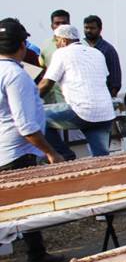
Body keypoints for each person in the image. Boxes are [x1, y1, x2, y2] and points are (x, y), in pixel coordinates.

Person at [0, 18, 66, 262]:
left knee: (23, 208)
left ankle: (37, 254)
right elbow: (26, 125)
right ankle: (36, 256)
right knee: (23, 207)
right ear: (21, 45)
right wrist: (50, 152)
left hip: (4, 150)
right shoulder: (16, 75)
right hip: (15, 153)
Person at [38, 25, 115, 160]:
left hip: (81, 110)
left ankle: (64, 154)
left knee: (37, 115)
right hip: (105, 112)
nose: (56, 45)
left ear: (63, 40)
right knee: (101, 159)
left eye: (56, 41)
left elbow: (47, 83)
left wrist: (30, 101)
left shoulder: (62, 53)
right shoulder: (96, 53)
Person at [83, 15, 122, 97]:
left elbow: (115, 80)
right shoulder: (79, 47)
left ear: (100, 29)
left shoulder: (108, 50)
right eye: (86, 28)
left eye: (92, 28)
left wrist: (110, 98)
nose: (89, 30)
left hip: (102, 96)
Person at [39, 9, 69, 105]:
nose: (60, 26)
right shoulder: (45, 45)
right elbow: (43, 70)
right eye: (57, 23)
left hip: (70, 99)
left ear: (69, 24)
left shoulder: (80, 46)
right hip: (51, 99)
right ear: (52, 26)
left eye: (64, 23)